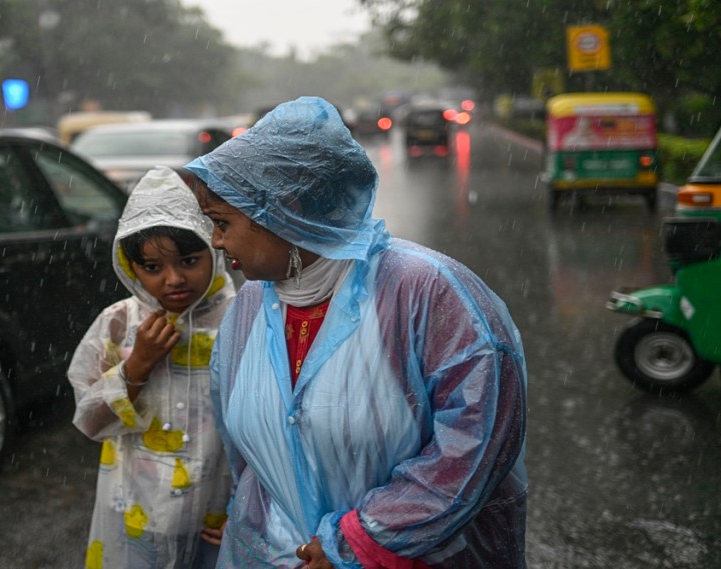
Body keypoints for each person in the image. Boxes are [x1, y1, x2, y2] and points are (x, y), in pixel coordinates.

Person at [185, 97, 528, 568]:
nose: (216, 242)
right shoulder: (247, 307)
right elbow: (248, 458)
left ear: (283, 210)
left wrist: (362, 541)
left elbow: (479, 439)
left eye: (223, 223)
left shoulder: (428, 292)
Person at [68, 165, 237, 569]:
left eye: (189, 260)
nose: (174, 279)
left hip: (218, 511)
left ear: (213, 250)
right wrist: (137, 366)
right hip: (135, 512)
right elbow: (90, 420)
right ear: (131, 269)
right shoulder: (119, 324)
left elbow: (266, 427)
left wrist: (249, 508)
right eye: (153, 268)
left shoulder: (241, 319)